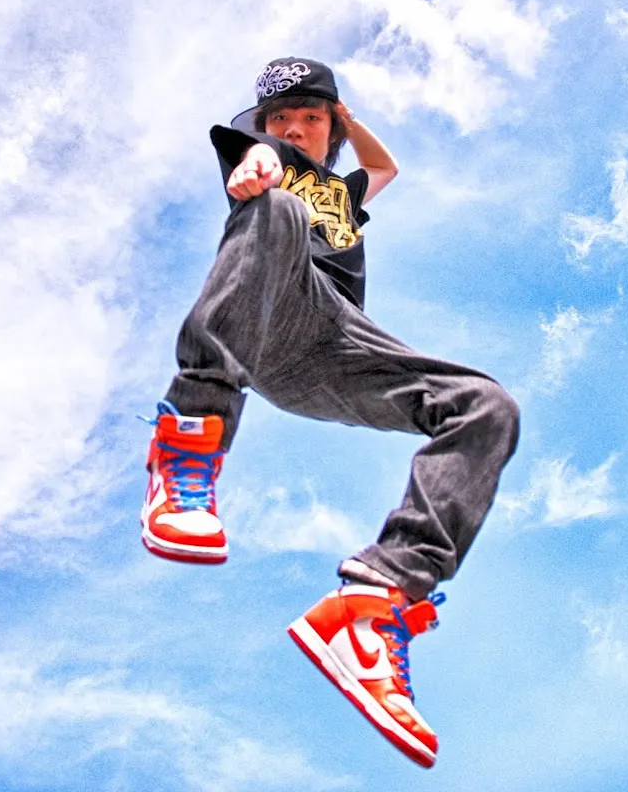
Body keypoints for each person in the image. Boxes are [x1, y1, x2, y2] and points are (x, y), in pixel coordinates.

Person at [139, 57, 520, 768]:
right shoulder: (267, 158)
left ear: (332, 127)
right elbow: (255, 159)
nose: (294, 130)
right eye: (281, 119)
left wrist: (348, 119)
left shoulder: (344, 189)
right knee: (277, 207)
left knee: (485, 407)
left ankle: (376, 605)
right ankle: (191, 437)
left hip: (342, 345)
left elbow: (385, 167)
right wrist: (260, 163)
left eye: (309, 119)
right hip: (273, 308)